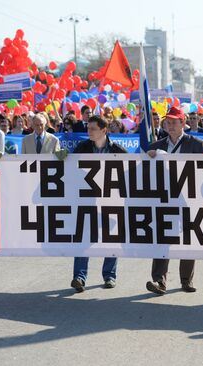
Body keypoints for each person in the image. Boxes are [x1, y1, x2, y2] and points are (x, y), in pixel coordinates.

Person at [145, 106, 203, 295]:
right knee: (162, 238)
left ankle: (186, 280)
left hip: (188, 198)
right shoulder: (156, 146)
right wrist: (148, 158)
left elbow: (202, 171)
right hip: (164, 199)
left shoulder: (196, 144)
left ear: (183, 123)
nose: (170, 125)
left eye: (174, 122)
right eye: (167, 122)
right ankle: (159, 281)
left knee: (188, 238)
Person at [71, 115, 127, 292]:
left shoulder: (118, 150)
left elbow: (128, 175)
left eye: (93, 129)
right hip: (87, 201)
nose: (89, 132)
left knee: (111, 239)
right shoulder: (82, 147)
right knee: (83, 238)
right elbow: (70, 168)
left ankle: (109, 276)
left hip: (111, 203)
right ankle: (79, 277)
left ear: (104, 130)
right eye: (88, 128)